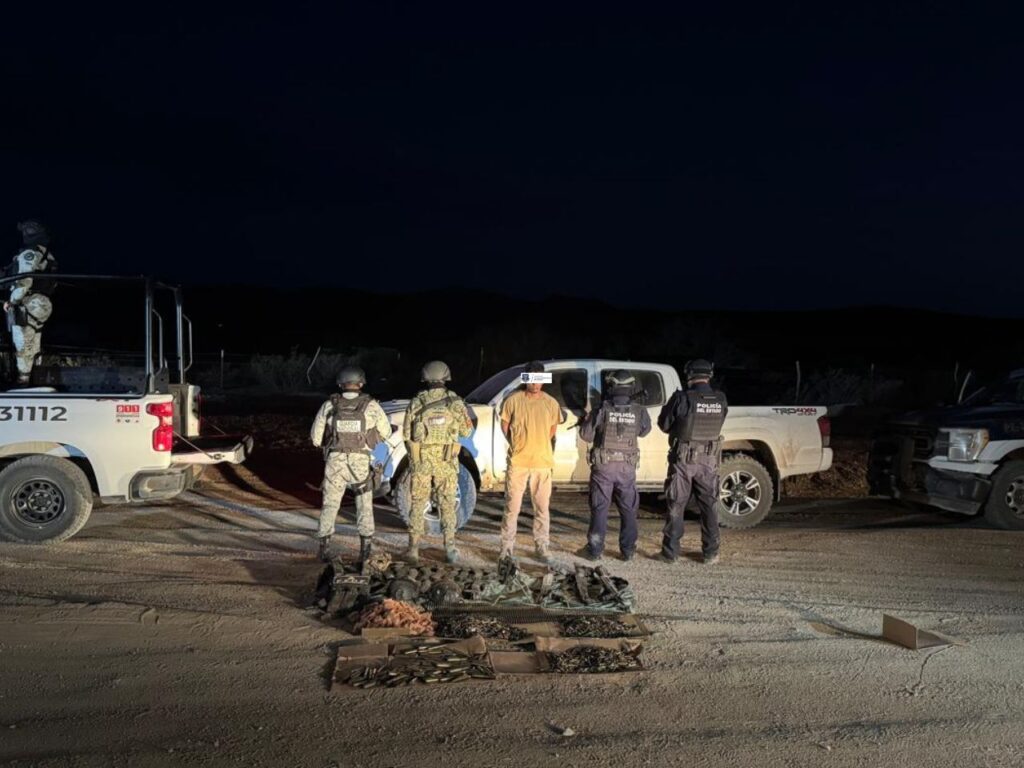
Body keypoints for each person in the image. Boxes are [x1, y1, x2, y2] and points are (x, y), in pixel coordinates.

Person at [309, 366, 391, 562]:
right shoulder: (371, 406)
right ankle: (365, 551)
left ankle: (324, 549)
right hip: (360, 461)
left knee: (330, 504)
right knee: (364, 505)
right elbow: (386, 433)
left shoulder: (329, 405)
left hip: (335, 461)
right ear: (361, 383)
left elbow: (315, 439)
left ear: (340, 384)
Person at [403, 360, 474, 565]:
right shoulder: (455, 402)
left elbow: (407, 434)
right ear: (445, 377)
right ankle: (450, 548)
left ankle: (413, 549)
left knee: (418, 503)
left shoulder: (417, 402)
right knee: (447, 503)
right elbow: (466, 431)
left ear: (425, 378)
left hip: (422, 462)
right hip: (446, 462)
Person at [657, 359, 728, 565]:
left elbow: (664, 424)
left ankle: (670, 553)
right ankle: (711, 553)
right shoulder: (720, 399)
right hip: (709, 460)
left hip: (683, 460)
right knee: (709, 506)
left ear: (689, 375)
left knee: (676, 504)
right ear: (709, 375)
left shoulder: (682, 398)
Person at [578, 370, 651, 561]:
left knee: (600, 508)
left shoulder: (601, 408)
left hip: (604, 466)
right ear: (631, 386)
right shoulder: (639, 410)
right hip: (626, 466)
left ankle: (594, 550)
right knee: (628, 509)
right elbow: (644, 431)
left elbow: (586, 435)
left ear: (611, 385)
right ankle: (627, 551)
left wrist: (585, 421)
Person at [498, 360, 564, 563]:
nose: (535, 384)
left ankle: (542, 546)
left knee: (542, 508)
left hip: (542, 463)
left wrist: (538, 442)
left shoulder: (551, 403)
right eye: (531, 379)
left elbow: (552, 429)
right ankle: (506, 549)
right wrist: (516, 444)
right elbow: (504, 424)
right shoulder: (513, 400)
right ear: (525, 379)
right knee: (512, 507)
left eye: (539, 379)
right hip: (518, 462)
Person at [3, 221, 58, 386]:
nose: (25, 233)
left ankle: (24, 381)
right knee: (34, 341)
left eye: (29, 230)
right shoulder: (46, 254)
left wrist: (12, 301)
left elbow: (24, 280)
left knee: (22, 342)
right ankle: (36, 377)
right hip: (42, 302)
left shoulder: (30, 252)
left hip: (30, 301)